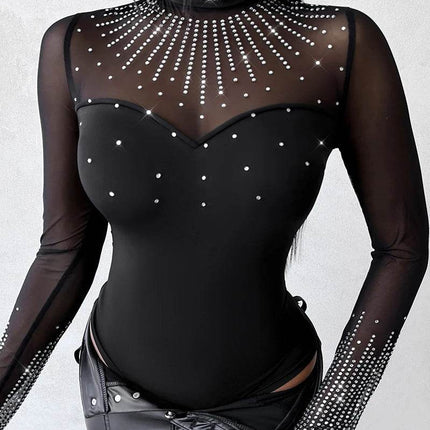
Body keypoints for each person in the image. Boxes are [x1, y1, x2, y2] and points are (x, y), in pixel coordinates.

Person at [0, 0, 428, 429]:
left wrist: (330, 417)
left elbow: (402, 246)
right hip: (119, 399)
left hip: (277, 404)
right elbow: (65, 251)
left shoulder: (339, 41)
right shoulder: (79, 43)